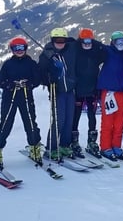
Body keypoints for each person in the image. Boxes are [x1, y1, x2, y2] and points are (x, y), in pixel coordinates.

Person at [0, 36, 42, 167]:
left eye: (21, 48)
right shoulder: (8, 64)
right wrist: (10, 84)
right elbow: (0, 81)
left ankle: (34, 147)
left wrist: (28, 83)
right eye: (16, 48)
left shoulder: (31, 63)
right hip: (10, 97)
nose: (19, 51)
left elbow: (37, 79)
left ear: (25, 49)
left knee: (30, 122)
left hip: (25, 96)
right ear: (12, 50)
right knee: (6, 123)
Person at [38, 28, 77, 161]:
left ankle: (64, 145)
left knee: (68, 119)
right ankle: (51, 148)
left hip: (70, 90)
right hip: (57, 91)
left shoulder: (70, 50)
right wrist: (51, 76)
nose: (60, 43)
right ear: (52, 40)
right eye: (57, 40)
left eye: (63, 40)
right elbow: (41, 73)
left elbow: (80, 43)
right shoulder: (46, 55)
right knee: (58, 120)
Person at [72, 28, 106, 158]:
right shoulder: (75, 51)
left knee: (92, 117)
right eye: (84, 41)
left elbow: (105, 53)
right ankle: (74, 142)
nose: (87, 43)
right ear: (80, 40)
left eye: (89, 41)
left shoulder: (96, 51)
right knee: (76, 116)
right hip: (79, 90)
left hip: (92, 89)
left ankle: (92, 142)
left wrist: (98, 44)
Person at [97, 31, 123, 161]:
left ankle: (116, 146)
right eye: (117, 41)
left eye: (122, 41)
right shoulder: (108, 51)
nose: (120, 44)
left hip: (121, 91)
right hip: (108, 91)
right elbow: (97, 48)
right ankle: (105, 147)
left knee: (119, 122)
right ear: (112, 42)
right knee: (108, 121)